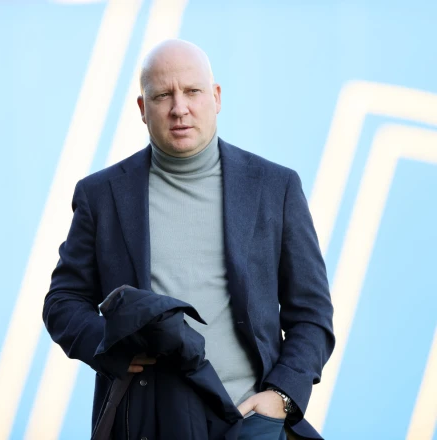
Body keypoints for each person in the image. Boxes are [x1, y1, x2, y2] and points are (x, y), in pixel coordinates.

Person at [43, 39, 334, 439]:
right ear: (142, 109)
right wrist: (110, 345)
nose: (179, 108)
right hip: (145, 422)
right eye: (162, 95)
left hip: (250, 422)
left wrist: (280, 397)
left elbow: (312, 314)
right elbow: (62, 302)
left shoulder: (275, 187)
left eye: (192, 91)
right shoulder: (102, 195)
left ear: (216, 97)